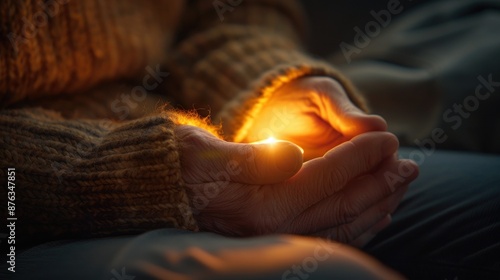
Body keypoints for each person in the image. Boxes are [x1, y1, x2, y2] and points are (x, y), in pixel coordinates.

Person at [0, 0, 498, 279]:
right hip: (30, 218)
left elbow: (230, 15)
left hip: (207, 144)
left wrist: (270, 84)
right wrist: (138, 176)